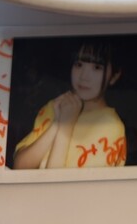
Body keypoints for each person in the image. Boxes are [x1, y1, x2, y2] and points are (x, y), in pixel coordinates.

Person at [13, 37, 126, 169]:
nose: (84, 76)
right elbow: (19, 167)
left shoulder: (109, 125)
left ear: (114, 76)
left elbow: (56, 181)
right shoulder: (56, 106)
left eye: (96, 67)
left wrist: (65, 126)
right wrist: (58, 123)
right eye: (79, 64)